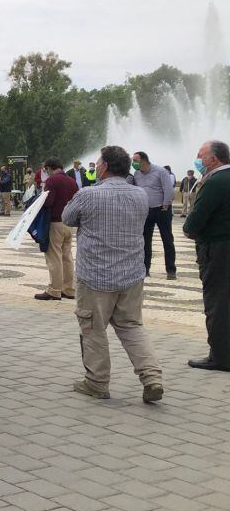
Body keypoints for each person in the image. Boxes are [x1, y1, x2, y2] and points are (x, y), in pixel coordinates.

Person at [62, 145, 163, 402]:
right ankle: (151, 377)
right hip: (131, 274)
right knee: (131, 326)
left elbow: (67, 218)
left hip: (95, 275)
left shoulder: (88, 194)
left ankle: (97, 382)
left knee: (93, 328)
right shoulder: (140, 195)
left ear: (105, 166)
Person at [183, 140, 230, 371]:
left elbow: (195, 219)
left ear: (213, 159)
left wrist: (189, 230)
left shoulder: (215, 182)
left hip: (217, 249)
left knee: (217, 302)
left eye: (200, 156)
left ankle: (220, 356)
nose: (198, 160)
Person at [37, 158, 79, 301]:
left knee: (54, 257)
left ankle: (54, 290)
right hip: (69, 224)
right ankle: (69, 289)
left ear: (49, 168)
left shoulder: (52, 181)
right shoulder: (72, 181)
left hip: (55, 222)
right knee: (67, 257)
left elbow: (48, 202)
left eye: (45, 169)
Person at [131, 151, 177, 279]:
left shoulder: (160, 171)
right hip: (146, 211)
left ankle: (171, 270)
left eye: (135, 160)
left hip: (162, 210)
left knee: (167, 239)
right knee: (145, 241)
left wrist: (166, 205)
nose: (133, 163)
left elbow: (168, 189)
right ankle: (145, 269)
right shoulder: (137, 174)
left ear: (144, 161)